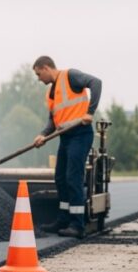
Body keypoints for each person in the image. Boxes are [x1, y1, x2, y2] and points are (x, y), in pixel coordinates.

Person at [32, 56, 102, 238]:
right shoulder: (50, 93)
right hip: (65, 137)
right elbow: (52, 121)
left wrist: (90, 112)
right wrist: (43, 135)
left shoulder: (70, 76)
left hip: (80, 134)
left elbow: (96, 82)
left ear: (46, 68)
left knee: (73, 178)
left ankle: (77, 224)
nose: (39, 79)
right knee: (60, 178)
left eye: (39, 74)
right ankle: (63, 220)